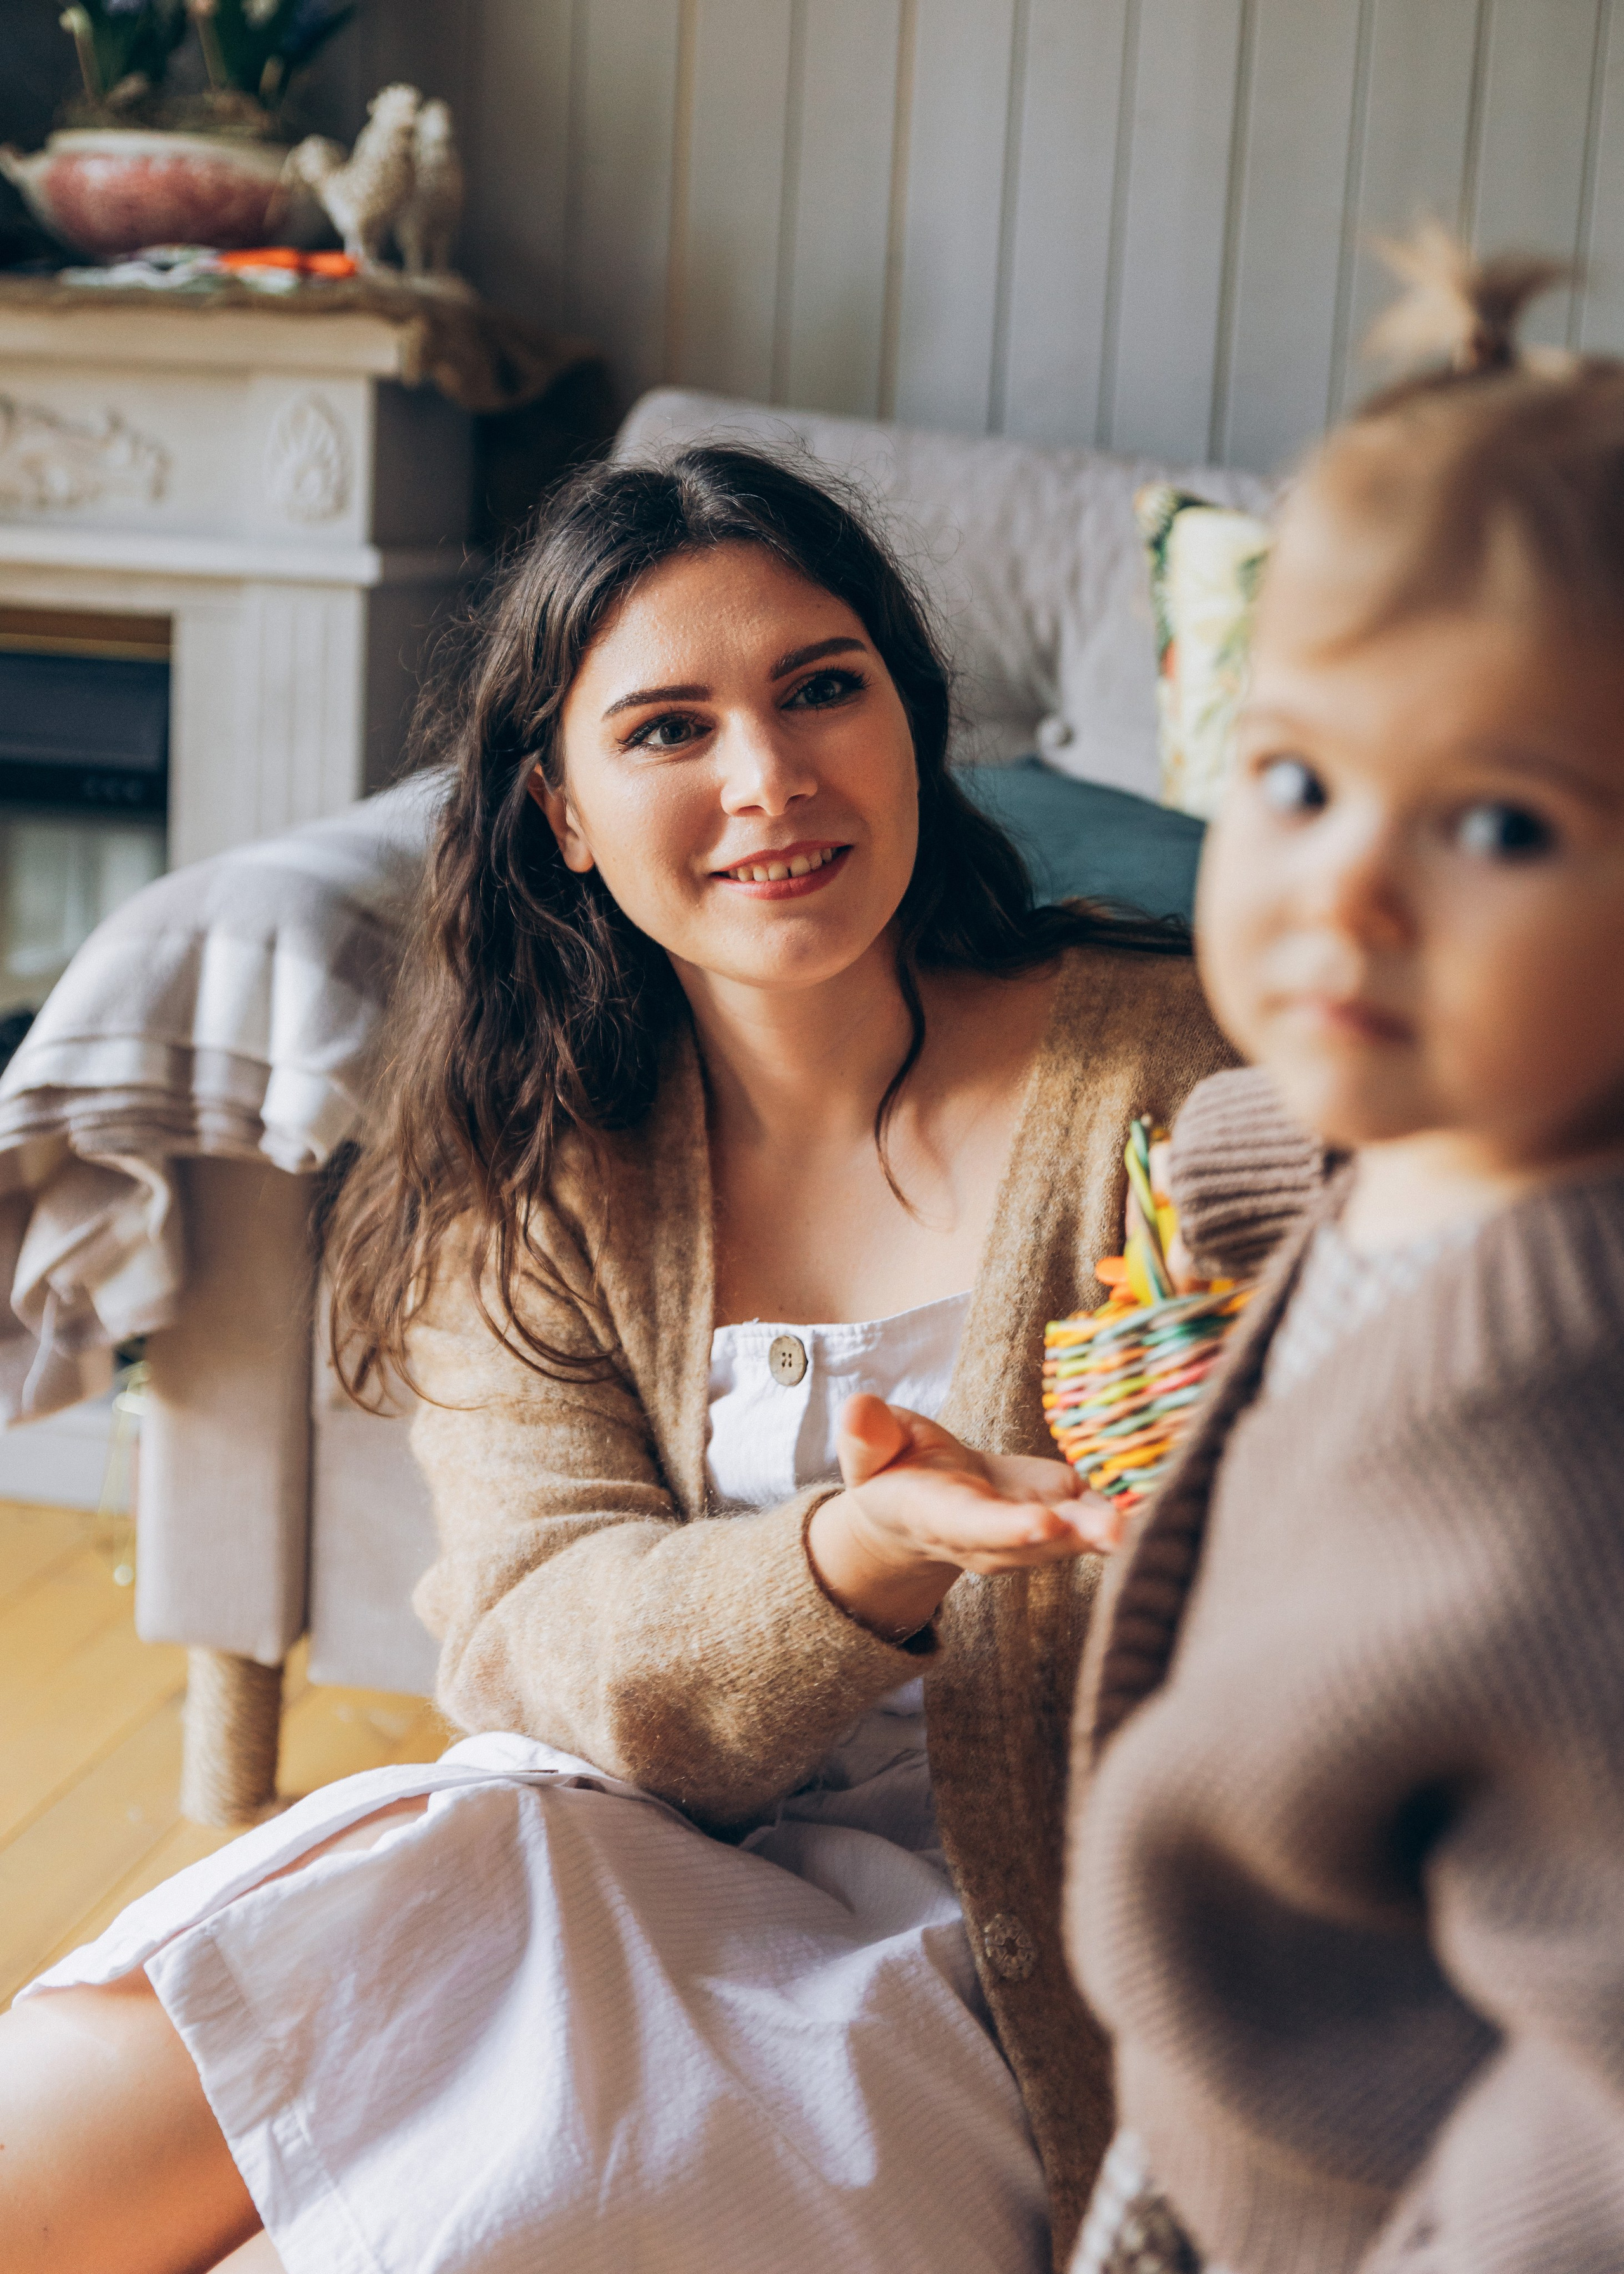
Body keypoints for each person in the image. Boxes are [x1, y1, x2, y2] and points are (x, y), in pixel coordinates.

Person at [0, 445, 1233, 2274]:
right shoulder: (532, 1157)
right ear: (560, 808)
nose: (769, 782)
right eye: (668, 728)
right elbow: (534, 1636)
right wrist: (853, 1557)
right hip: (609, 1829)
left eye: (826, 689)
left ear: (911, 719)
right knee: (165, 2031)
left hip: (1002, 1948)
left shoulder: (1186, 1067)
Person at [1061, 235, 1624, 2273]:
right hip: (1208, 2138)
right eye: (1297, 781)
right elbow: (1305, 1148)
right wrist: (1184, 1174)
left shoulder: (1580, 1445)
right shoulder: (1448, 1113)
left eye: (1499, 828)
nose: (1345, 895)